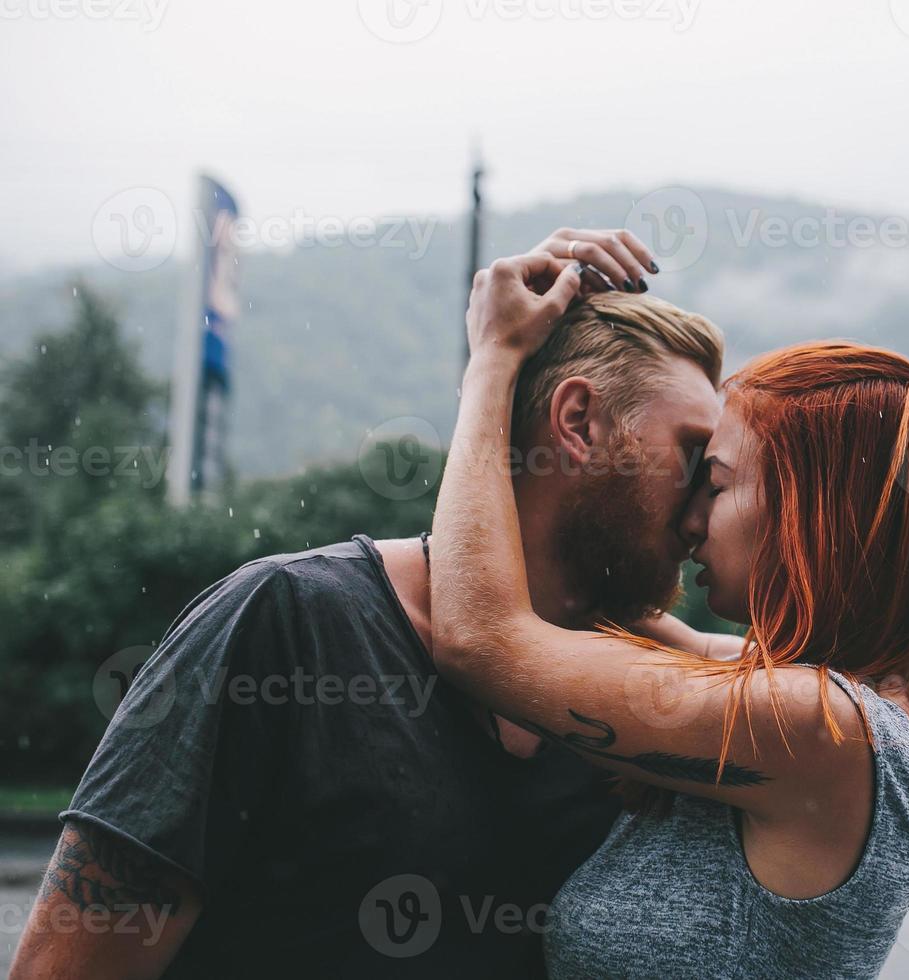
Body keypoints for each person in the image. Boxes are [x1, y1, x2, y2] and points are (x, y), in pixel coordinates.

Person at [11, 228, 731, 979]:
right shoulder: (286, 623)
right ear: (578, 424)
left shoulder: (634, 696)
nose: (698, 514)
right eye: (688, 457)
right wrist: (495, 359)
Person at [428, 250, 909, 978]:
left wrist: (494, 359)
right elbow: (598, 607)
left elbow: (485, 638)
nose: (692, 518)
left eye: (720, 483)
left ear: (808, 515)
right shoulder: (820, 698)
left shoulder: (815, 726)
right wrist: (566, 328)